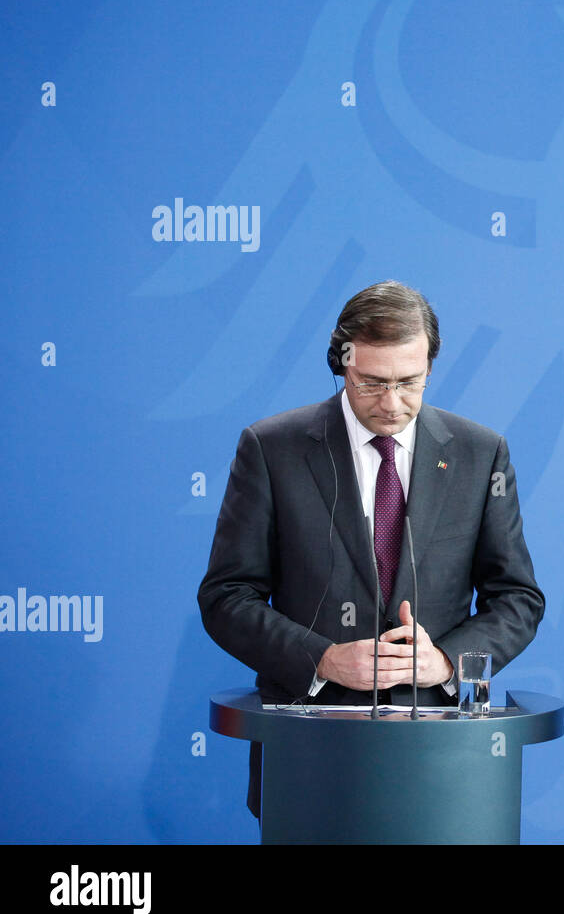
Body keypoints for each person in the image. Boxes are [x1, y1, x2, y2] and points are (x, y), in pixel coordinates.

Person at [199, 280, 544, 814]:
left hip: (443, 758)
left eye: (410, 382)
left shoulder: (481, 454)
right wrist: (325, 660)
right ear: (341, 365)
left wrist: (447, 664)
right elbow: (227, 597)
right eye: (372, 383)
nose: (392, 402)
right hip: (309, 756)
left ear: (431, 366)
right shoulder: (272, 448)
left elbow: (518, 598)